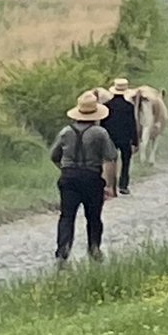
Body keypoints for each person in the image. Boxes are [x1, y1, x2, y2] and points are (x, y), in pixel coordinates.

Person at [48, 91, 118, 266]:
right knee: (94, 216)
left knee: (67, 216)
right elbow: (111, 158)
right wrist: (110, 185)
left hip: (69, 178)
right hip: (92, 178)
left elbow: (54, 155)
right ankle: (94, 248)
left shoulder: (65, 132)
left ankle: (62, 253)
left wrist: (65, 168)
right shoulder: (100, 133)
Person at [101, 77, 140, 195]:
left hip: (110, 138)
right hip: (125, 138)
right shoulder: (129, 106)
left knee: (111, 161)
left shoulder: (107, 106)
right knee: (126, 161)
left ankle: (111, 186)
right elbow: (132, 124)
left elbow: (103, 124)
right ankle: (123, 185)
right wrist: (135, 141)